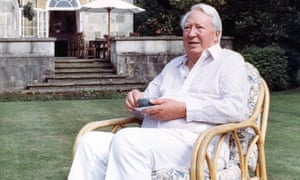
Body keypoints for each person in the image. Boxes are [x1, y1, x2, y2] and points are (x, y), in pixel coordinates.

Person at [68, 3, 249, 180]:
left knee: (128, 140)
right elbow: (146, 105)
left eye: (199, 27)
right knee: (90, 142)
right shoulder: (173, 66)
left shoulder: (229, 61)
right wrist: (136, 100)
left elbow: (235, 109)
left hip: (200, 145)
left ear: (216, 35)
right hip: (154, 139)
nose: (191, 33)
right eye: (187, 28)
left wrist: (184, 109)